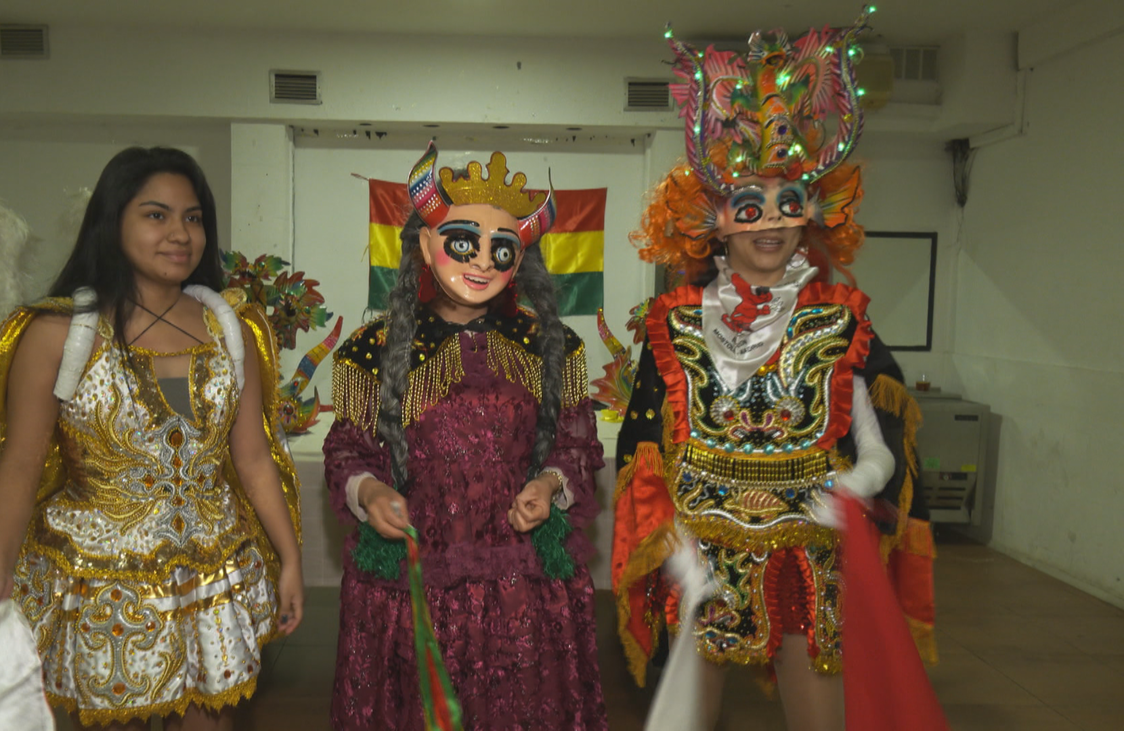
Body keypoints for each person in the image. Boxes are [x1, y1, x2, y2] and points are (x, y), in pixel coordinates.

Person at [612, 8, 942, 730]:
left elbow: (879, 437)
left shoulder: (840, 316)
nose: (768, 219)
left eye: (786, 202)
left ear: (812, 213)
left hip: (804, 546)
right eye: (747, 203)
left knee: (817, 711)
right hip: (702, 541)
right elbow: (645, 455)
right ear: (714, 218)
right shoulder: (671, 322)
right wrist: (673, 549)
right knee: (688, 714)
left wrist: (858, 481)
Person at [0, 146, 304, 731]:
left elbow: (252, 460)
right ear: (111, 221)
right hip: (102, 586)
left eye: (193, 218)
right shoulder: (58, 335)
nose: (180, 234)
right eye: (155, 215)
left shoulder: (233, 329)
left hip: (213, 577)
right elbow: (17, 467)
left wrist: (290, 559)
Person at [323, 144, 607, 729]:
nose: (481, 261)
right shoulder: (373, 354)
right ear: (427, 246)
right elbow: (347, 451)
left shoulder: (550, 348)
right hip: (414, 586)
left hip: (520, 589)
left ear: (518, 261)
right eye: (462, 243)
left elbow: (575, 447)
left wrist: (550, 485)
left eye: (500, 249)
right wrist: (370, 494)